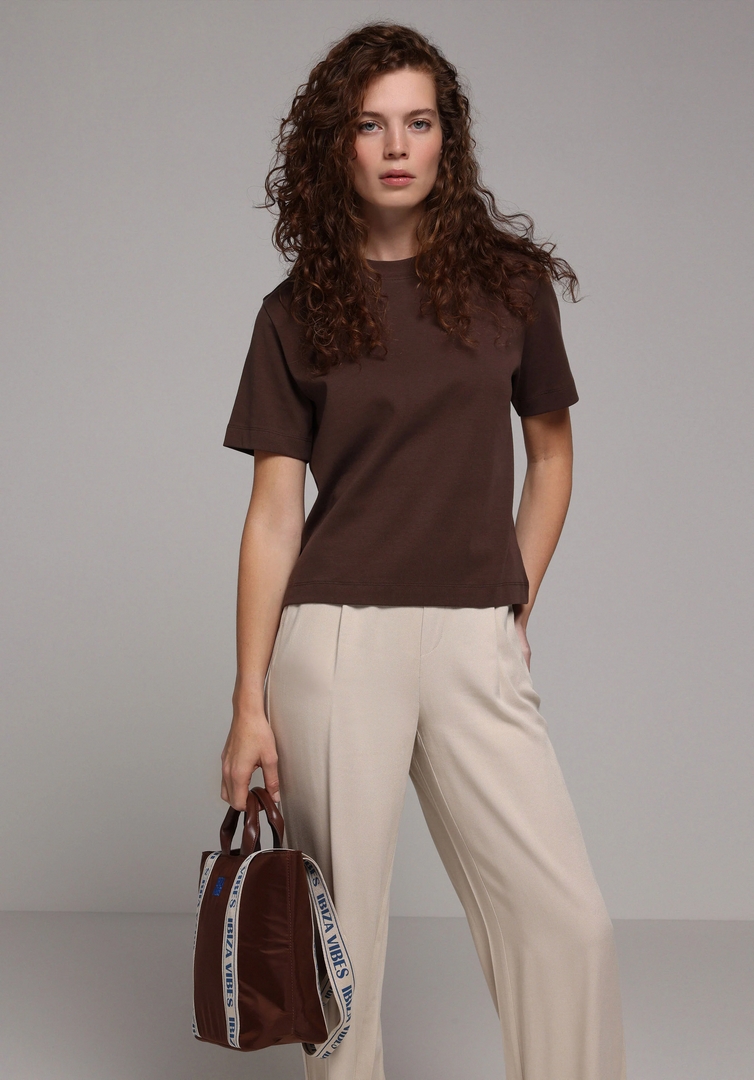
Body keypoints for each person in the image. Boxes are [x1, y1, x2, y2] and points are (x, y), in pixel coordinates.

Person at [219, 20, 628, 1080]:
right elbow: (273, 514)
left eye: (419, 121)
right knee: (340, 956)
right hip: (333, 640)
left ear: (449, 137)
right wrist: (249, 700)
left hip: (471, 638)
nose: (397, 146)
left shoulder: (511, 288)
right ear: (337, 145)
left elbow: (551, 457)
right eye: (370, 125)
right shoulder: (294, 313)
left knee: (567, 924)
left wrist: (512, 602)